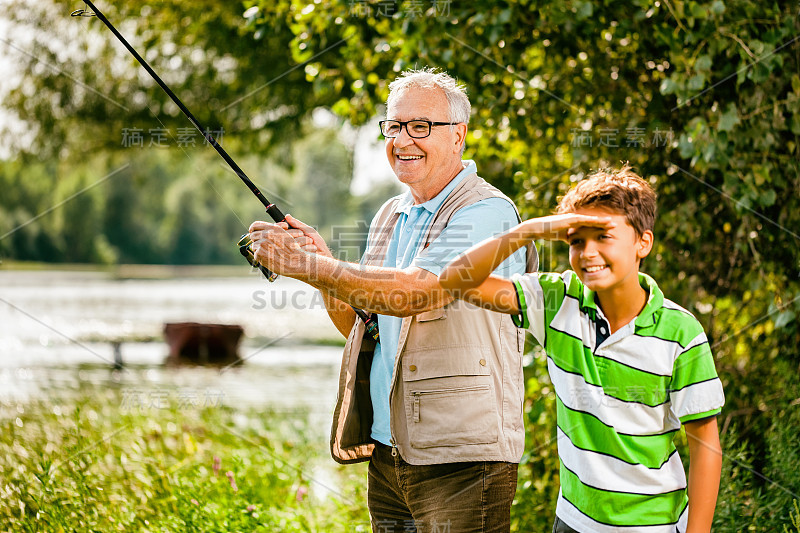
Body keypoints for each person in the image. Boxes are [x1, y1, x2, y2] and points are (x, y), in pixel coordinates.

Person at [248, 68, 537, 532]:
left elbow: (417, 292)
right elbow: (362, 324)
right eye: (394, 126)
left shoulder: (488, 212)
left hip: (462, 460)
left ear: (458, 135)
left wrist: (311, 267)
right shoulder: (391, 214)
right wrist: (321, 265)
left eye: (420, 126)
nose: (403, 139)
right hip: (389, 452)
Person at [439, 166, 725, 533]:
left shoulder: (681, 333)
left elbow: (705, 447)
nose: (588, 253)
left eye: (603, 237)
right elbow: (453, 279)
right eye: (576, 241)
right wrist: (527, 232)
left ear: (643, 243)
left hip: (653, 526)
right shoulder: (557, 300)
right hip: (573, 523)